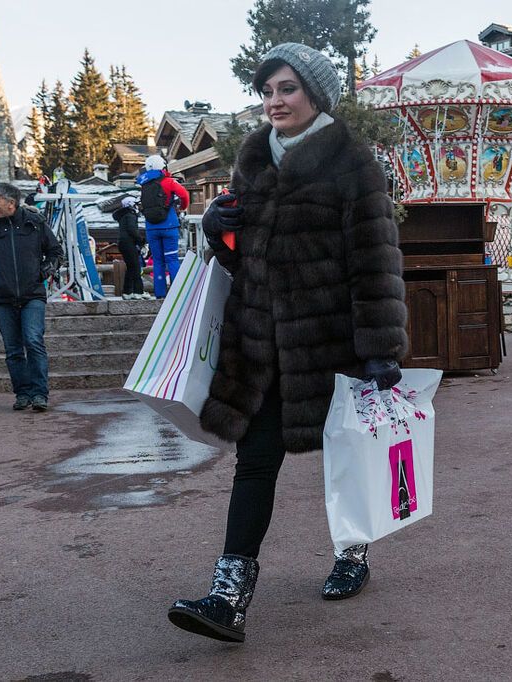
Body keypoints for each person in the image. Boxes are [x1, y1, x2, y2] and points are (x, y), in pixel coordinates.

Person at [168, 43, 408, 643]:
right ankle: (229, 596)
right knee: (255, 462)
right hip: (260, 344)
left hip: (334, 342)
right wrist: (216, 229)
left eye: (287, 89)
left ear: (315, 94)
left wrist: (379, 346)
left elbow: (375, 259)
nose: (274, 101)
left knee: (346, 458)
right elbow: (240, 254)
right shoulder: (252, 157)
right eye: (268, 90)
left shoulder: (352, 161)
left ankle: (353, 553)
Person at [0, 182, 63, 412]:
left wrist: (45, 271)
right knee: (13, 349)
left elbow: (55, 251)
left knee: (33, 341)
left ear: (10, 203)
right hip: (2, 297)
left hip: (32, 294)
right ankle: (22, 394)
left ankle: (40, 394)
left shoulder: (35, 222)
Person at [136, 155, 189, 298]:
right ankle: (178, 292)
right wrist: (182, 207)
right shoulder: (169, 182)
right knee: (172, 259)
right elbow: (184, 195)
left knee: (158, 261)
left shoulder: (144, 184)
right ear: (163, 166)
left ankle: (160, 294)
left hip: (151, 227)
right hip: (169, 225)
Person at [113, 196, 149, 300]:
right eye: (136, 204)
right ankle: (138, 292)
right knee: (136, 267)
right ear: (131, 205)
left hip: (123, 243)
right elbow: (132, 230)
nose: (138, 206)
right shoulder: (130, 215)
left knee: (131, 268)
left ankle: (128, 292)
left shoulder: (124, 216)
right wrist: (142, 241)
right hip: (129, 244)